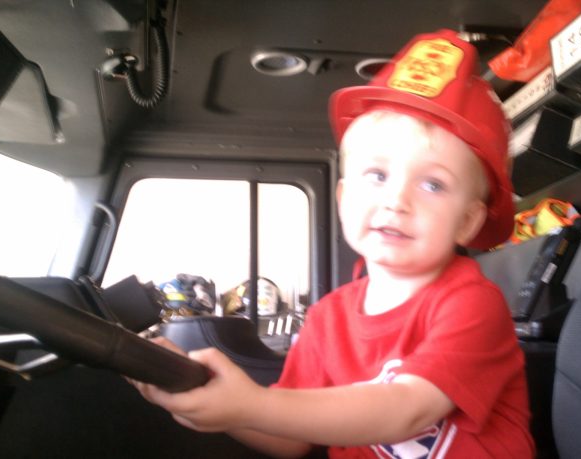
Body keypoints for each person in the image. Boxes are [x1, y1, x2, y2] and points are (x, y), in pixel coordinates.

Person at [132, 29, 534, 458]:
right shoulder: (326, 319)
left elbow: (409, 409)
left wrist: (254, 402)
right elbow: (292, 439)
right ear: (343, 199)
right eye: (377, 175)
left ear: (468, 221)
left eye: (433, 184)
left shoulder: (472, 305)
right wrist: (225, 409)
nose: (397, 201)